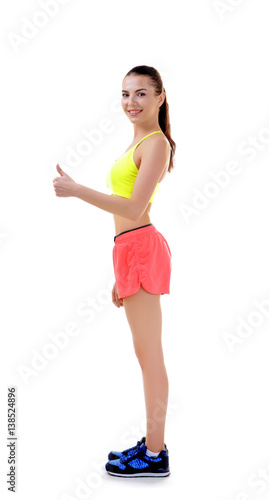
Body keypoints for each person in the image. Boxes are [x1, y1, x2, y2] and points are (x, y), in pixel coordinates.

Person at [53, 65, 176, 477]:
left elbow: (133, 209)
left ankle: (155, 454)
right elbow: (128, 210)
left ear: (160, 97)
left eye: (141, 94)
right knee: (146, 353)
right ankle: (153, 445)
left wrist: (77, 190)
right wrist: (120, 272)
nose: (131, 102)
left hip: (139, 248)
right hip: (130, 251)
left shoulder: (156, 144)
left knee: (150, 355)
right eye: (125, 94)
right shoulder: (138, 140)